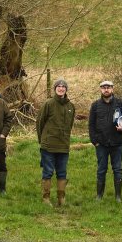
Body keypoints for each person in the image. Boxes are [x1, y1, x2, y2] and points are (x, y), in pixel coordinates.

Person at [37, 79, 75, 207]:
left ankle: (61, 197)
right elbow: (40, 122)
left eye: (63, 86)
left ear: (66, 89)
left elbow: (69, 126)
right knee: (48, 172)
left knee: (62, 172)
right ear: (55, 89)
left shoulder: (71, 107)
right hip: (48, 145)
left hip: (63, 146)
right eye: (58, 86)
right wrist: (42, 141)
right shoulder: (48, 104)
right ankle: (46, 198)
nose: (61, 88)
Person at [88, 80, 122, 202]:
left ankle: (118, 196)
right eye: (104, 87)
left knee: (117, 169)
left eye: (108, 87)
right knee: (101, 169)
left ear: (112, 89)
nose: (106, 89)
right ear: (100, 89)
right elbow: (91, 125)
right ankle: (99, 195)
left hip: (117, 142)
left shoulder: (120, 104)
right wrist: (95, 141)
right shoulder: (95, 105)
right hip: (102, 144)